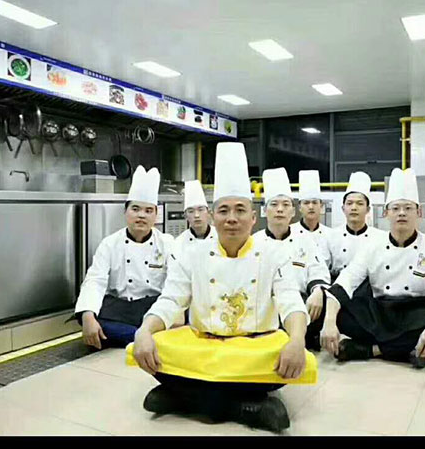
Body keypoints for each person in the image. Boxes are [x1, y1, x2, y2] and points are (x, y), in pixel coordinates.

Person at [129, 143, 317, 433]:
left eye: (240, 210)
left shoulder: (274, 254)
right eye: (224, 210)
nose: (231, 218)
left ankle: (185, 397)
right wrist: (143, 331)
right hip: (204, 342)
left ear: (253, 217)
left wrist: (296, 341)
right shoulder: (191, 254)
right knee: (151, 347)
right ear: (213, 216)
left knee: (287, 354)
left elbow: (291, 301)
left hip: (255, 346)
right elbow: (170, 300)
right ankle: (245, 406)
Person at [320, 168, 425, 369]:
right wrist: (329, 321)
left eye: (408, 208)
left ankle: (370, 350)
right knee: (336, 310)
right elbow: (347, 279)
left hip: (414, 312)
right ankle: (404, 349)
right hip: (379, 311)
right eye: (395, 208)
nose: (401, 213)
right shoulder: (372, 244)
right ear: (386, 213)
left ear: (419, 213)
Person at [74, 166, 175, 348]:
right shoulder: (110, 244)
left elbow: (176, 284)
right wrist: (88, 316)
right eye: (135, 209)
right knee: (90, 319)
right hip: (121, 309)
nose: (141, 215)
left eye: (148, 210)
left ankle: (138, 336)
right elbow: (95, 280)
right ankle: (148, 338)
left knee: (179, 315)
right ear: (125, 211)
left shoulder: (167, 243)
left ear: (155, 215)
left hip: (154, 308)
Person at [253, 168, 331, 350]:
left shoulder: (305, 240)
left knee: (326, 302)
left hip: (301, 304)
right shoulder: (254, 242)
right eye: (274, 204)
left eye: (285, 205)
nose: (280, 209)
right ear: (264, 211)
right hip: (265, 306)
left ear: (293, 211)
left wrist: (318, 292)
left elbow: (318, 271)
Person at [325, 171, 386, 279]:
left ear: (368, 209)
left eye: (360, 203)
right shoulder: (330, 237)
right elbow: (322, 270)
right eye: (349, 203)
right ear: (343, 208)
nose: (354, 208)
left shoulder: (380, 238)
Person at [290, 170, 332, 261]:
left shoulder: (330, 235)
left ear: (321, 206)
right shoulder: (290, 233)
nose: (311, 207)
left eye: (314, 202)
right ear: (299, 207)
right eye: (306, 203)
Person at [172, 179, 217, 256]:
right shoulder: (179, 243)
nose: (196, 215)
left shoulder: (220, 238)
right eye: (191, 211)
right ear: (185, 216)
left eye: (200, 210)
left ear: (209, 213)